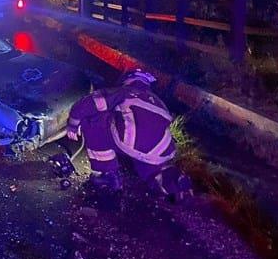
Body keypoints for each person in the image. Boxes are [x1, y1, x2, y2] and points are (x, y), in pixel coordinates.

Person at [66, 69, 192, 200]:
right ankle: (170, 182)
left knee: (94, 120)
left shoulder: (126, 92)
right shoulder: (158, 101)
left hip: (131, 144)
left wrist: (73, 124)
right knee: (150, 164)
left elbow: (91, 102)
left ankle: (106, 173)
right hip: (163, 151)